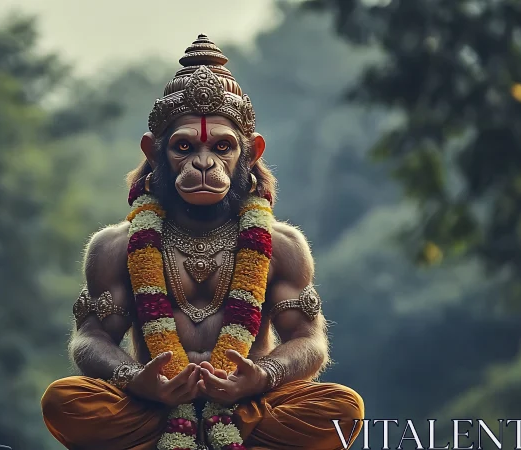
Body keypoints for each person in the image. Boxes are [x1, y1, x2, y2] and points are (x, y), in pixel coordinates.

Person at [41, 34, 365, 450]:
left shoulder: (282, 245)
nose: (204, 162)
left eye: (223, 147)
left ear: (251, 153)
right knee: (66, 401)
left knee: (341, 407)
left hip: (247, 406)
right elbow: (90, 338)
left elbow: (310, 340)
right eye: (183, 147)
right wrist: (135, 380)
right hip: (153, 407)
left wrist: (261, 376)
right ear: (153, 153)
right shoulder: (115, 246)